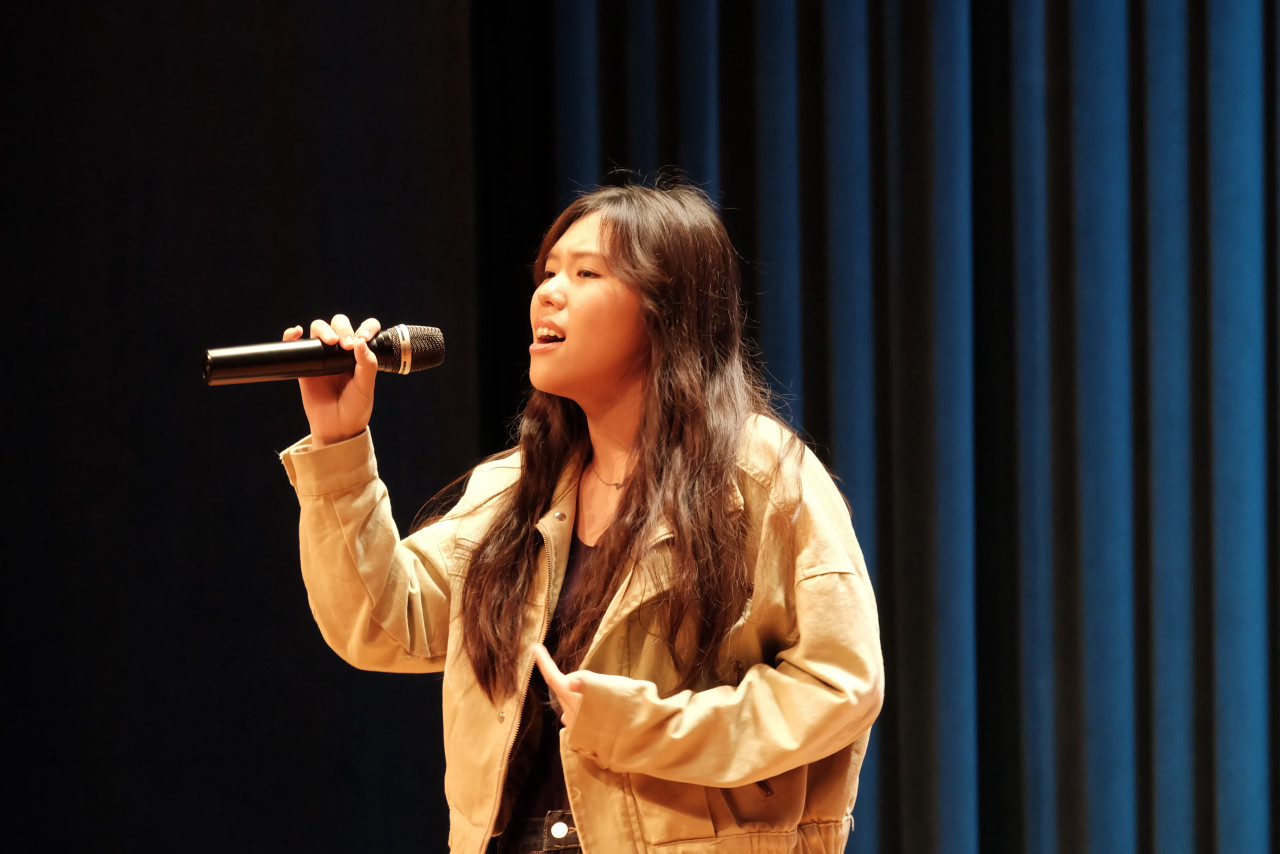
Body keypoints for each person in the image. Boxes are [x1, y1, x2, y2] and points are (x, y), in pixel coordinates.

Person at [278, 181, 884, 853]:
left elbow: (840, 684)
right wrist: (338, 443)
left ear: (664, 310)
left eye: (586, 273)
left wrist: (645, 728)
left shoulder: (760, 474)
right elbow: (381, 621)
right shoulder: (515, 490)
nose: (548, 292)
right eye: (548, 272)